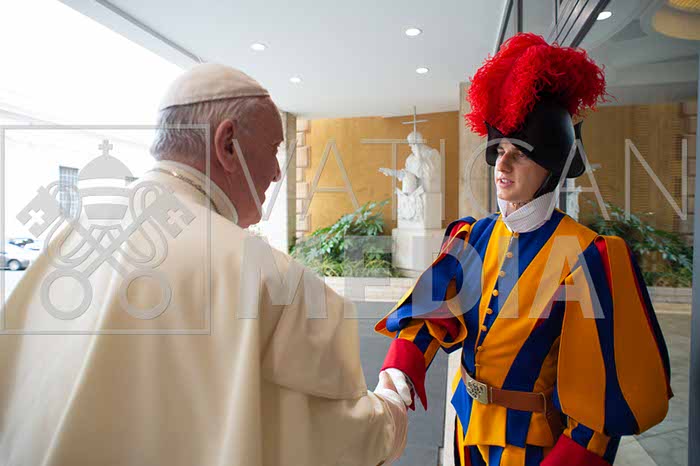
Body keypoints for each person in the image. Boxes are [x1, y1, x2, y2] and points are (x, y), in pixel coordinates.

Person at [0, 64, 407, 466]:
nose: (276, 172)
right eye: (273, 150)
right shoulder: (266, 277)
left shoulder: (68, 240)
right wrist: (391, 403)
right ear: (227, 144)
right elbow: (337, 440)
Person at [374, 33, 672, 466]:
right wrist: (400, 365)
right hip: (465, 426)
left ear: (551, 167)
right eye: (500, 150)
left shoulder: (588, 255)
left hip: (532, 446)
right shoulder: (473, 236)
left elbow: (600, 402)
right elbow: (432, 310)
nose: (503, 164)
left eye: (520, 153)